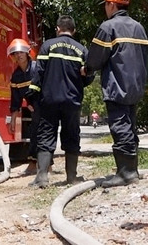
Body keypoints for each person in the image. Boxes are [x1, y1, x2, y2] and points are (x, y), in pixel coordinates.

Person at [82, 0, 148, 188]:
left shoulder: (108, 27)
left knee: (120, 127)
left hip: (117, 86)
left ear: (111, 4)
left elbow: (95, 58)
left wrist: (86, 69)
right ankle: (132, 170)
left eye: (105, 5)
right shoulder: (139, 27)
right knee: (130, 126)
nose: (105, 8)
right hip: (136, 86)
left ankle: (126, 173)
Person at [27, 15, 93, 188]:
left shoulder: (47, 46)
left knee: (46, 135)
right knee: (72, 135)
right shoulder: (81, 50)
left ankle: (42, 178)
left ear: (57, 29)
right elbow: (89, 76)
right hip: (72, 101)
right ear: (74, 31)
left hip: (49, 100)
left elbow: (38, 73)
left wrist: (32, 97)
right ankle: (71, 177)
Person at [6, 38, 44, 175]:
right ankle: (34, 164)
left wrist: (35, 104)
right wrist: (13, 118)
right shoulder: (16, 76)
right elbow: (15, 99)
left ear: (27, 53)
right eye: (15, 53)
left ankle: (46, 165)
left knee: (44, 134)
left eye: (21, 52)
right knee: (34, 133)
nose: (19, 55)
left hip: (43, 104)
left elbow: (43, 87)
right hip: (33, 107)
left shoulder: (36, 68)